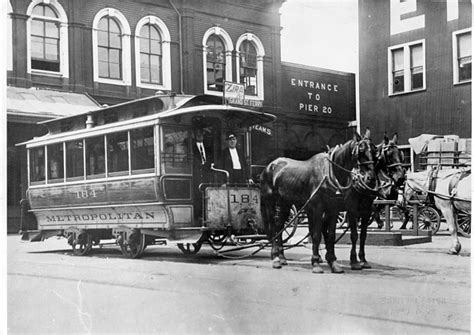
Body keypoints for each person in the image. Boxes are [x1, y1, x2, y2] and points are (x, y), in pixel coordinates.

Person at [192, 128, 212, 221]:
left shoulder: (207, 147)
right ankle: (198, 215)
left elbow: (209, 159)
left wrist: (206, 166)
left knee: (206, 193)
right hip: (195, 174)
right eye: (198, 133)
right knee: (197, 195)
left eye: (201, 134)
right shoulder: (191, 146)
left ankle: (206, 215)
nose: (200, 135)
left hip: (206, 174)